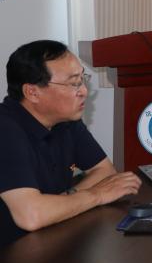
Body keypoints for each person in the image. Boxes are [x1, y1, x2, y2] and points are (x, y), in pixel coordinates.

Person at [1, 40, 141, 247]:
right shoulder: (5, 130)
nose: (84, 91)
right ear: (32, 92)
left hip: (50, 241)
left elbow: (105, 171)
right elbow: (31, 216)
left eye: (82, 79)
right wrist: (96, 195)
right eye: (74, 83)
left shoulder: (65, 120)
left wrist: (66, 199)